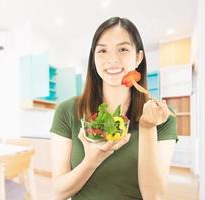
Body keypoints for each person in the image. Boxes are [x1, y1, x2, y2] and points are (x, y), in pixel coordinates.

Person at [50, 17, 178, 200]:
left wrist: (148, 128)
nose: (112, 59)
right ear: (93, 58)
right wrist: (91, 162)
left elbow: (154, 196)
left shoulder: (163, 116)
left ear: (138, 57)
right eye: (102, 50)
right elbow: (57, 193)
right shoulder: (67, 111)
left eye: (123, 49)